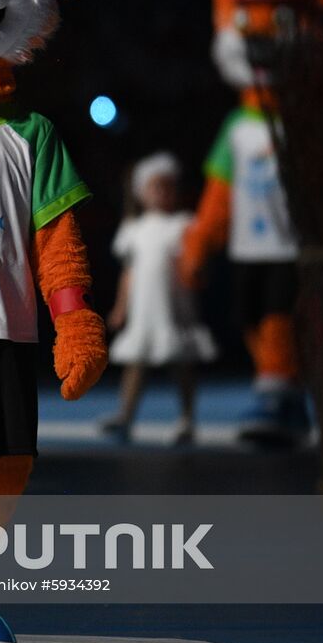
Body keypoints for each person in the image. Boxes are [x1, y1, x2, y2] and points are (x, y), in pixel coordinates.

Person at [102, 153, 217, 445]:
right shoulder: (134, 230)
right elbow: (128, 274)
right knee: (135, 366)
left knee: (182, 367)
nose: (164, 193)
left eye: (169, 187)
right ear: (142, 193)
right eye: (157, 187)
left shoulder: (183, 224)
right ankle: (125, 417)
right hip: (144, 314)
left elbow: (195, 264)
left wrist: (198, 275)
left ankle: (187, 420)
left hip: (175, 311)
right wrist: (120, 308)